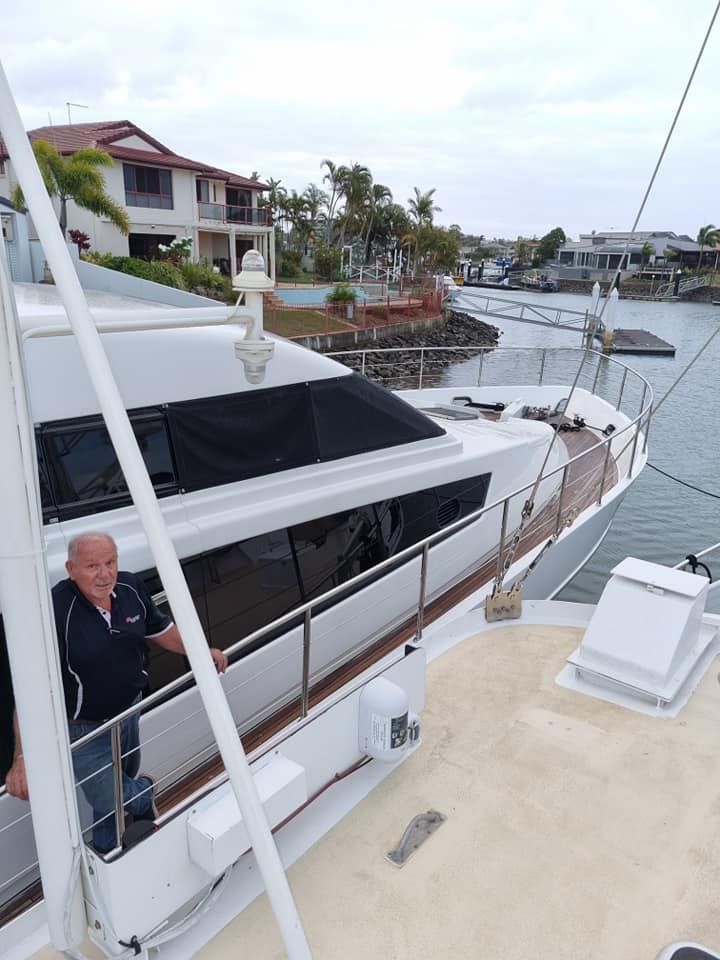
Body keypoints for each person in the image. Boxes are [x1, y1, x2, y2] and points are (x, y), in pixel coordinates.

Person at [4, 532, 228, 852]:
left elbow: (161, 630)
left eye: (110, 562)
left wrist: (201, 651)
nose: (105, 574)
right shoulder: (54, 611)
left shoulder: (131, 587)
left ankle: (108, 843)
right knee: (107, 793)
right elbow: (28, 691)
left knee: (118, 782)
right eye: (92, 566)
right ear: (70, 569)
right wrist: (21, 757)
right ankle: (144, 795)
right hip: (83, 726)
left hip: (129, 711)